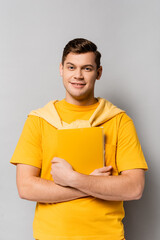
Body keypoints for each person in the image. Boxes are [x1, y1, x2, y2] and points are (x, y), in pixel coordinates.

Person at [10, 38, 148, 240]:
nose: (78, 75)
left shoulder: (119, 121)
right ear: (61, 69)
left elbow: (135, 188)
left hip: (106, 236)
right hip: (51, 236)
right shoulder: (38, 120)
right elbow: (26, 187)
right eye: (71, 67)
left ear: (98, 73)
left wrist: (74, 179)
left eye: (87, 68)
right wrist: (91, 186)